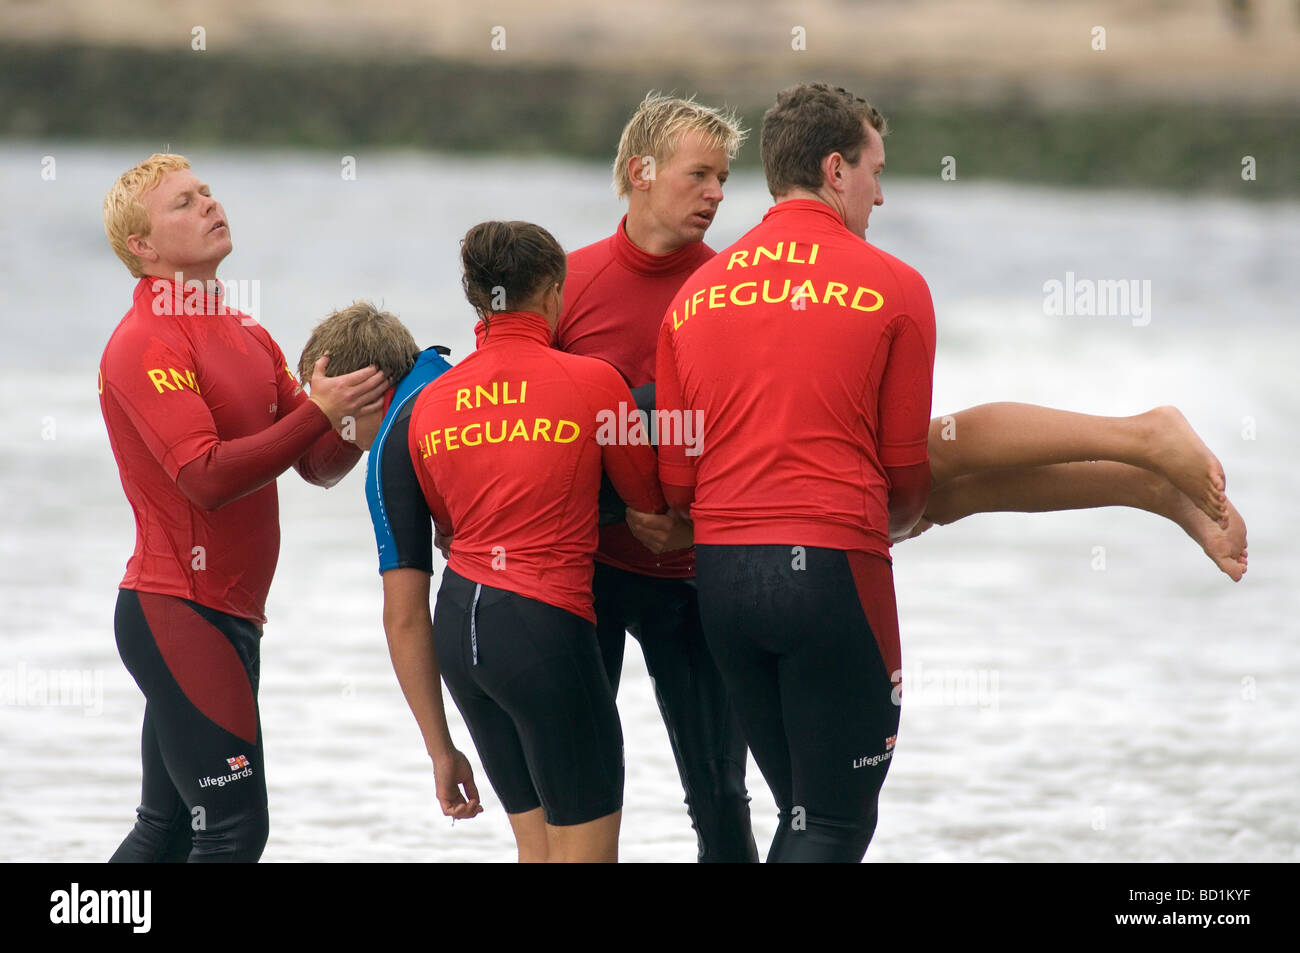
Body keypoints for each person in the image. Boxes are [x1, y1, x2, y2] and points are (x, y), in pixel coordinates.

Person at [98, 154, 389, 861]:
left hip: (231, 614)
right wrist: (318, 408)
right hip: (177, 607)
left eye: (206, 193)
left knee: (168, 829)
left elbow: (314, 462)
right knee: (232, 828)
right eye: (182, 205)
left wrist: (361, 421)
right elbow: (203, 476)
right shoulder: (145, 342)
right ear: (143, 247)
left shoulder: (249, 335)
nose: (208, 205)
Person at [412, 221, 664, 862]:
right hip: (541, 629)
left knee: (538, 848)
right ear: (553, 291)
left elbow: (448, 527)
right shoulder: (594, 382)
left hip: (461, 632)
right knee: (585, 852)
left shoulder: (432, 402)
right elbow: (643, 503)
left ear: (476, 296)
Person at [556, 92, 759, 862]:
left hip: (693, 577)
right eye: (699, 174)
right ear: (641, 172)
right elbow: (513, 428)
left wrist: (694, 525)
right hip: (589, 575)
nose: (716, 193)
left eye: (724, 178)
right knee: (580, 791)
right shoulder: (564, 284)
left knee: (719, 798)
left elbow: (752, 440)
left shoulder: (732, 289)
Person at [295, 302, 484, 827]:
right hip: (596, 596)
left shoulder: (389, 449)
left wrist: (441, 751)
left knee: (541, 835)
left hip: (495, 633)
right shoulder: (463, 375)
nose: (335, 435)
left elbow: (404, 616)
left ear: (354, 396)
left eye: (331, 415)